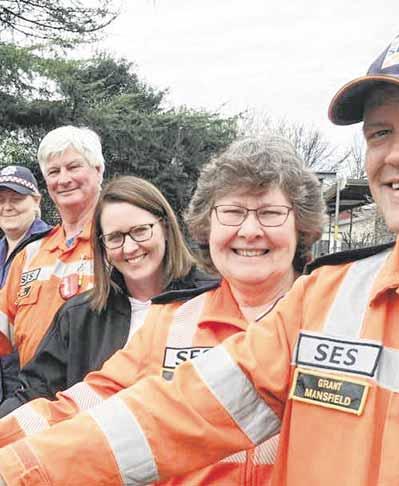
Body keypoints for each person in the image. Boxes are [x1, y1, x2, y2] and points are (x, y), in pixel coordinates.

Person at [3, 22, 399, 486]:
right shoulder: (326, 301)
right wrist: (15, 468)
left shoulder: (316, 298)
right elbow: (161, 415)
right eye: (380, 133)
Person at [0, 136, 325, 485]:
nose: (249, 231)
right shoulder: (171, 320)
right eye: (232, 213)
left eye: (270, 213)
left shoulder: (336, 318)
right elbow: (81, 407)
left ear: (301, 225)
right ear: (208, 226)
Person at [0, 175, 212, 417]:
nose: (130, 247)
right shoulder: (79, 316)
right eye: (115, 238)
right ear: (103, 246)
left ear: (164, 227)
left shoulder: (214, 299)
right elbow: (34, 393)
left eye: (140, 231)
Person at [0, 126, 103, 365]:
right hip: (32, 386)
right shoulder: (30, 253)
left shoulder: (119, 243)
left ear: (98, 170)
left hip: (96, 387)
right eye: (54, 171)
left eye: (73, 167)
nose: (63, 179)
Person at [0, 166, 51, 288]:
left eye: (16, 199)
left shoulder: (55, 244)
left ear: (36, 201)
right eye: (0, 200)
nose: (7, 207)